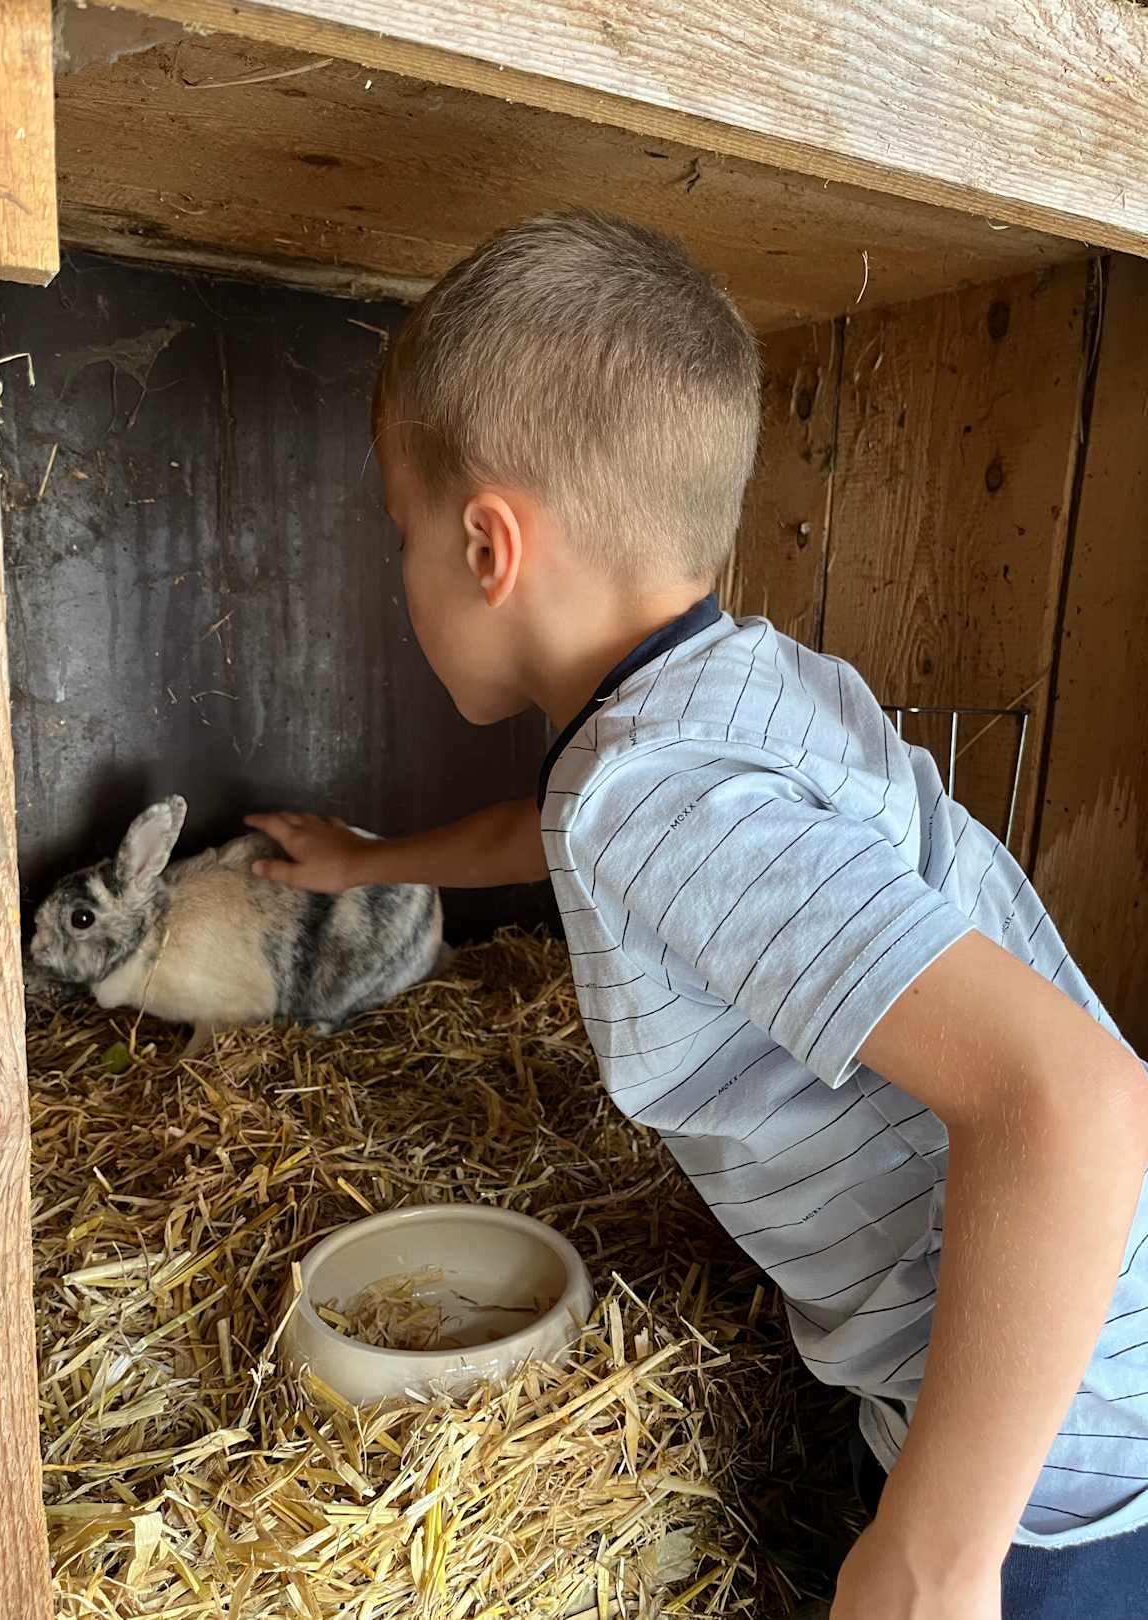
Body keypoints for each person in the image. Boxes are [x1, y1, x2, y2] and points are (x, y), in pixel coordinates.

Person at [247, 212, 1148, 1619]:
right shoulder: (725, 700)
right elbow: (554, 828)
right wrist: (369, 863)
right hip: (1065, 1346)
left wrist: (937, 1556)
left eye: (398, 533)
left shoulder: (654, 800)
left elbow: (1073, 1100)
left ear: (485, 545)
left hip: (1052, 1451)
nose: (399, 566)